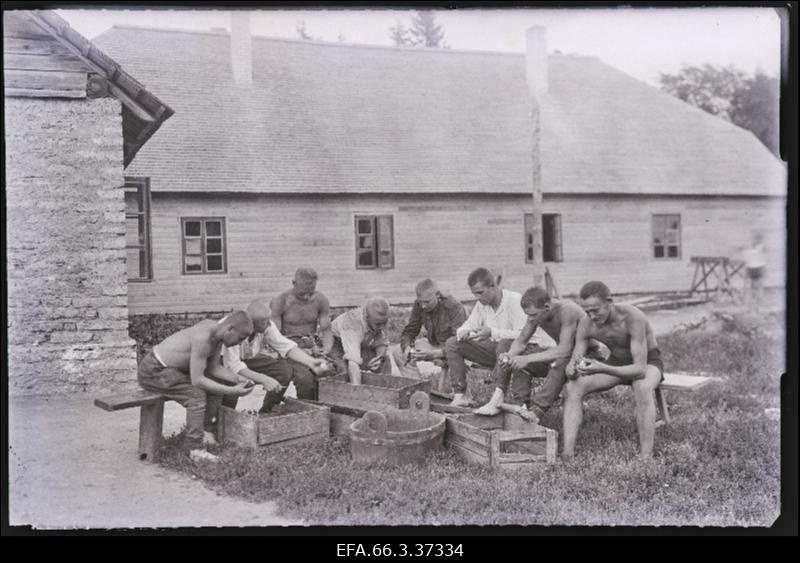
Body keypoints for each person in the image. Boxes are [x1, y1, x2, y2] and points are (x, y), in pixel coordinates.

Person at [562, 281, 664, 459]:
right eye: (587, 311)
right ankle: (567, 454)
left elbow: (639, 369)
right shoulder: (586, 323)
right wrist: (572, 369)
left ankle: (646, 457)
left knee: (642, 387)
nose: (592, 316)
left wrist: (602, 367)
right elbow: (575, 360)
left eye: (596, 310)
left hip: (648, 362)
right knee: (573, 387)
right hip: (616, 362)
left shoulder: (633, 317)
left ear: (609, 301)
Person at [137, 311, 255, 462]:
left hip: (173, 371)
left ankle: (203, 431)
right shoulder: (204, 338)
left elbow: (213, 369)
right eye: (240, 338)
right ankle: (195, 449)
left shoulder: (217, 335)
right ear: (230, 329)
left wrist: (237, 378)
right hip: (153, 371)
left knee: (215, 389)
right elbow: (197, 380)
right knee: (196, 395)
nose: (240, 343)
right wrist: (232, 390)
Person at [475, 286, 584, 420]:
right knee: (509, 345)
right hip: (564, 355)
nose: (530, 319)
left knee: (560, 360)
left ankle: (536, 412)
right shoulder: (536, 313)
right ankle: (521, 406)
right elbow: (521, 341)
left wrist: (527, 359)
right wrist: (510, 355)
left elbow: (565, 349)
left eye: (533, 315)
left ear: (547, 307)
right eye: (528, 315)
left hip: (586, 358)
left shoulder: (567, 311)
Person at [444, 268, 542, 408]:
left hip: (522, 351)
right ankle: (461, 394)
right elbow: (469, 324)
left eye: (480, 292)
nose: (477, 297)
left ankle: (499, 396)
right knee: (452, 343)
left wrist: (492, 332)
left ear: (493, 287)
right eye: (474, 294)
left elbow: (525, 336)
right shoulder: (481, 305)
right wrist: (465, 332)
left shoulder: (515, 300)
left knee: (504, 344)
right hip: (496, 353)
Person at [221, 301, 329, 415]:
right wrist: (264, 379)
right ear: (251, 323)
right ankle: (227, 417)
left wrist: (311, 362)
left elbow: (285, 346)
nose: (269, 324)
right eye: (264, 322)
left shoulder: (265, 324)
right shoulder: (234, 327)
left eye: (268, 320)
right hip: (223, 364)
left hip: (247, 359)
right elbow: (233, 366)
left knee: (283, 371)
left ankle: (268, 411)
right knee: (233, 383)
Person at [270, 268, 333, 399]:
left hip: (312, 344)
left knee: (329, 371)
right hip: (289, 347)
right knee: (305, 380)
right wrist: (290, 353)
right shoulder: (281, 301)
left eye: (311, 292)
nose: (307, 296)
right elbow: (275, 336)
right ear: (294, 283)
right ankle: (306, 409)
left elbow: (326, 330)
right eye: (303, 292)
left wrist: (325, 351)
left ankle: (323, 407)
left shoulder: (320, 300)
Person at [390, 279, 467, 382]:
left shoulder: (454, 307)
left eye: (427, 302)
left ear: (438, 295)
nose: (423, 306)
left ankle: (459, 393)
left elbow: (459, 343)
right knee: (399, 352)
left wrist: (437, 353)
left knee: (456, 356)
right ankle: (418, 389)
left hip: (453, 349)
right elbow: (409, 331)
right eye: (420, 302)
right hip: (433, 344)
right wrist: (407, 347)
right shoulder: (419, 305)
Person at [329, 297, 392, 385]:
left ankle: (386, 392)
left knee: (385, 360)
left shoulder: (377, 319)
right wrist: (358, 391)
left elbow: (381, 341)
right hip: (332, 345)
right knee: (344, 371)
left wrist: (379, 357)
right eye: (378, 324)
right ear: (366, 318)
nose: (382, 327)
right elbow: (353, 361)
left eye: (384, 323)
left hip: (358, 343)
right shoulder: (352, 325)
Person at [742, 233, 767, 310]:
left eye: (758, 239)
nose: (756, 240)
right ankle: (749, 306)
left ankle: (758, 306)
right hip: (751, 268)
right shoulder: (750, 247)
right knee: (750, 288)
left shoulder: (761, 247)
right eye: (756, 239)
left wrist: (764, 270)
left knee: (757, 288)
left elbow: (763, 259)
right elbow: (747, 257)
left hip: (757, 268)